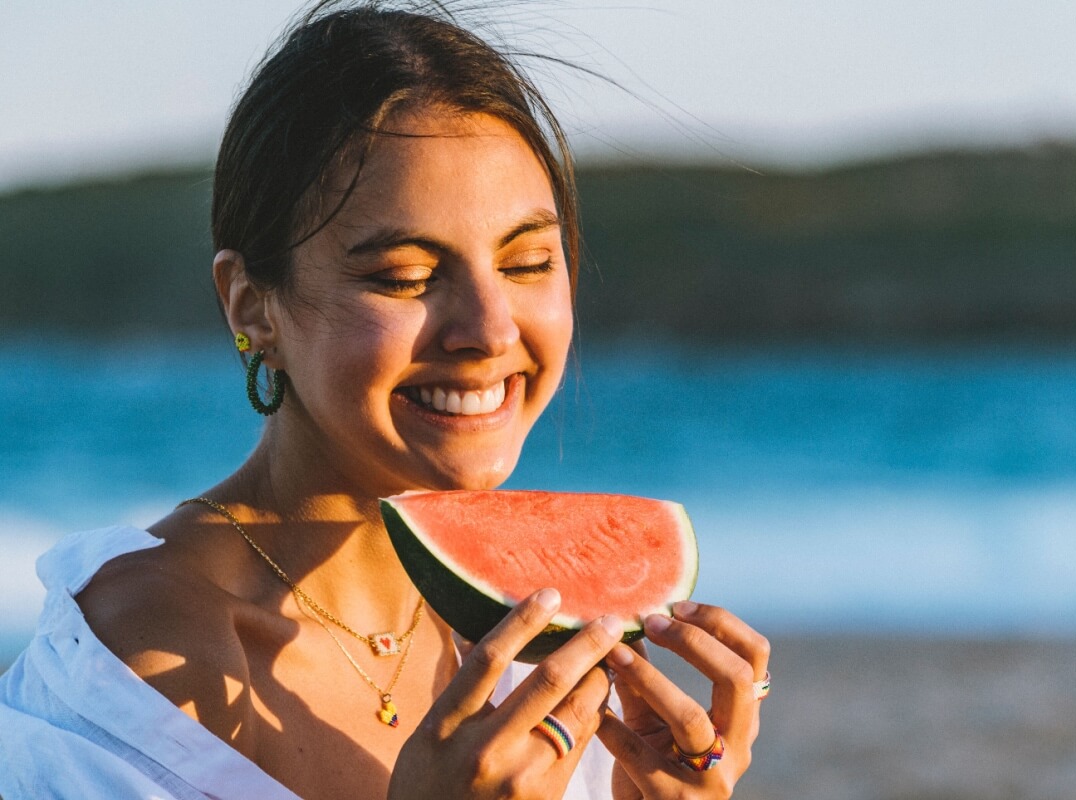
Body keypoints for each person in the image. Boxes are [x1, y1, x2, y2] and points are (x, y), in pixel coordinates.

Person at [0, 2, 770, 798]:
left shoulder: (549, 650)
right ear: (251, 306)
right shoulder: (130, 677)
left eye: (529, 261)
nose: (487, 328)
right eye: (404, 276)